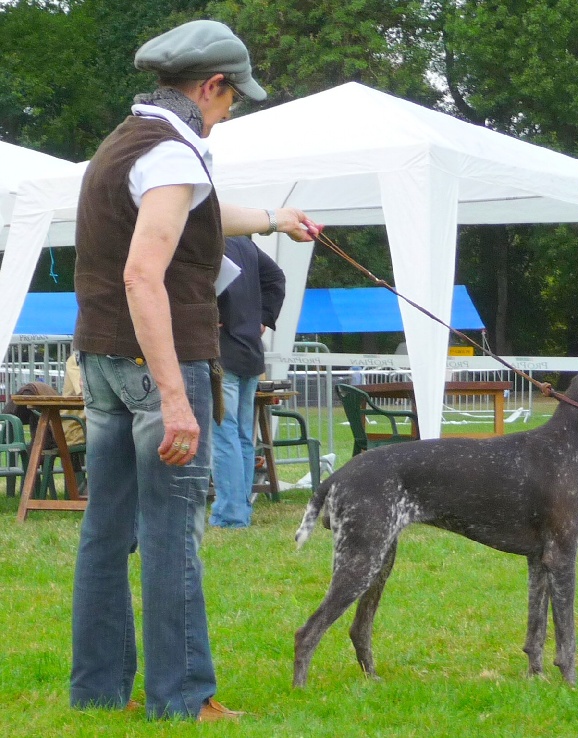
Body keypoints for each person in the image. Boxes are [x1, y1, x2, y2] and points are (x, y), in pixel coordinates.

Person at [69, 20, 321, 721]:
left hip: (103, 363)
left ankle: (95, 693)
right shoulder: (175, 155)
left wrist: (274, 219)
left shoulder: (124, 144)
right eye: (233, 95)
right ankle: (182, 699)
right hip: (160, 366)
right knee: (173, 535)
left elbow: (195, 218)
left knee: (106, 531)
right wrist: (177, 399)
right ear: (211, 85)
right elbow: (143, 276)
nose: (232, 108)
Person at [210, 236, 286, 528]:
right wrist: (263, 317)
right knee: (241, 435)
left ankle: (231, 513)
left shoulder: (206, 240)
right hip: (249, 351)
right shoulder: (245, 244)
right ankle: (238, 509)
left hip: (222, 353)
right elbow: (276, 277)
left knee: (225, 434)